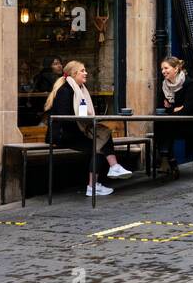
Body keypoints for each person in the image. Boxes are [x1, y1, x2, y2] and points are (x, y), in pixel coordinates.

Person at [45, 61, 131, 197]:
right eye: (82, 71)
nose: (86, 73)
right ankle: (99, 180)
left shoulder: (80, 90)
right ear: (74, 74)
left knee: (102, 135)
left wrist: (87, 122)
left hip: (75, 131)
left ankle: (107, 173)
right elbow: (64, 118)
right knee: (99, 143)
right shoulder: (65, 91)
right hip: (62, 135)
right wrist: (85, 123)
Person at [155, 56, 193, 179]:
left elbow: (187, 109)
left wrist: (171, 109)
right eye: (162, 69)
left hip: (192, 124)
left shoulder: (189, 83)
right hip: (173, 124)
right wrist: (174, 109)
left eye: (166, 68)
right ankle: (167, 158)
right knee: (159, 123)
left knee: (165, 124)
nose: (163, 71)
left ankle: (166, 159)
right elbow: (161, 108)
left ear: (176, 69)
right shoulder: (164, 86)